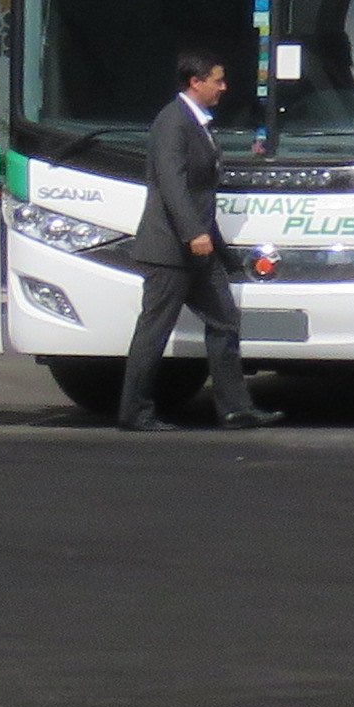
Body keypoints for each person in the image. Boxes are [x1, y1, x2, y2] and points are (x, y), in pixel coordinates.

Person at [118, 47, 270, 433]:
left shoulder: (198, 123)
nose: (224, 87)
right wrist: (193, 233)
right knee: (154, 331)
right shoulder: (173, 122)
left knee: (224, 320)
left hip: (198, 249)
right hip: (170, 250)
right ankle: (135, 412)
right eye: (217, 80)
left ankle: (236, 409)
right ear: (195, 82)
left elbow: (201, 195)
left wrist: (218, 247)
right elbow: (172, 184)